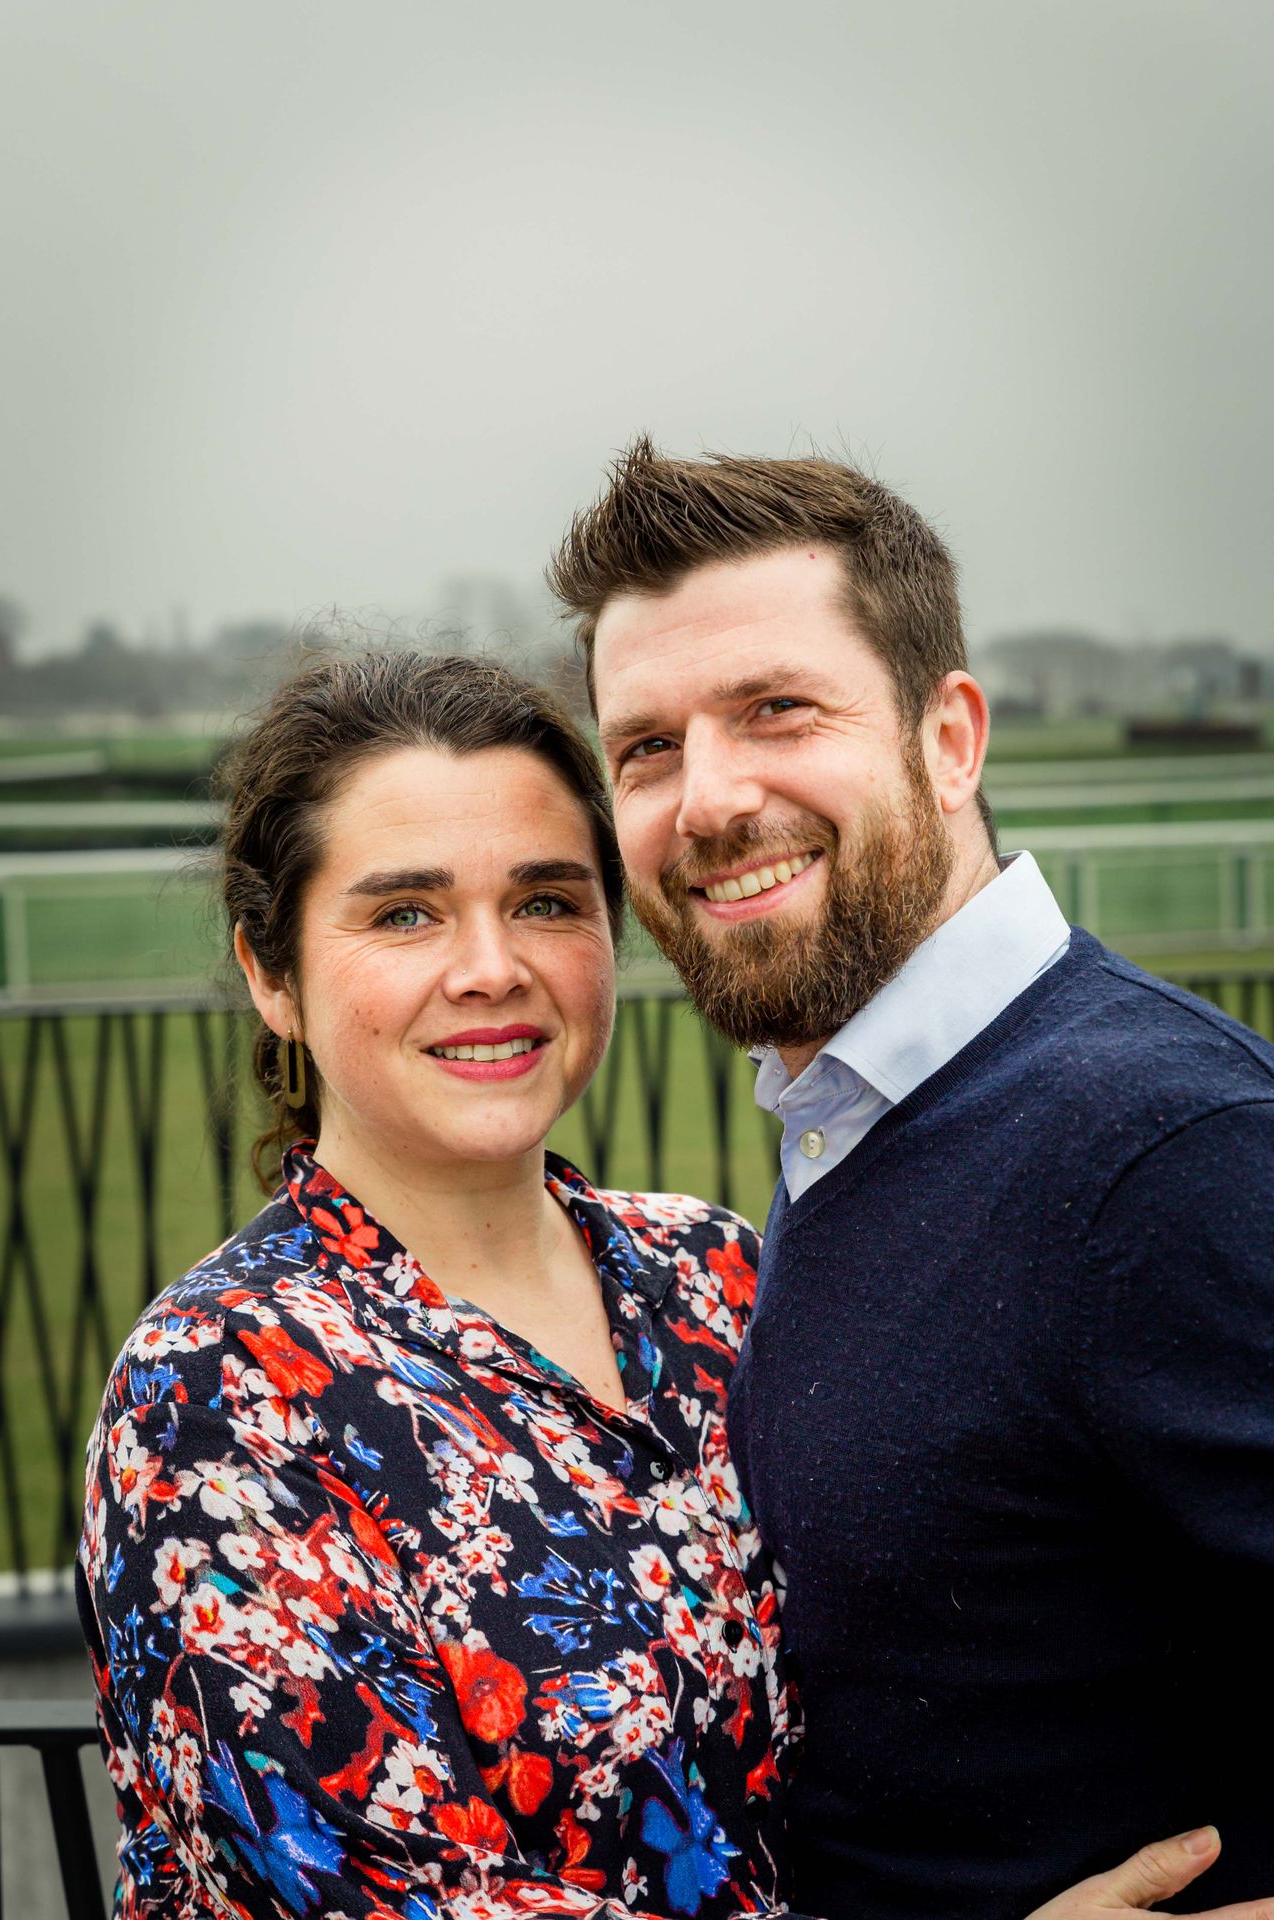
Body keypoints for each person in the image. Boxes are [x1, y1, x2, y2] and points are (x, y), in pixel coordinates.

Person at [77, 651, 1244, 1920]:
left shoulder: (710, 1271)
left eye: (545, 902)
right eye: (404, 913)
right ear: (270, 971)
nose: (489, 967)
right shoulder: (212, 1392)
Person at [549, 440, 1274, 1920]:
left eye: (776, 711)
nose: (707, 799)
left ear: (951, 740)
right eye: (646, 748)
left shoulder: (1166, 1147)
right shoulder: (864, 1116)